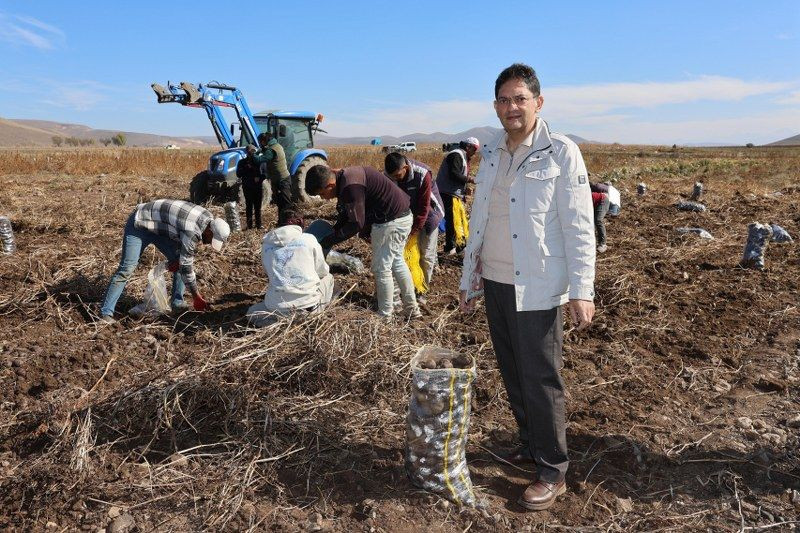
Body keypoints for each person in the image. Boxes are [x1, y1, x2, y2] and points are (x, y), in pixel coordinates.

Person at [459, 63, 596, 511]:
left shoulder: (561, 153)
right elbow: (480, 218)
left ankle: (552, 468)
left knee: (540, 377)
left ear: (538, 102)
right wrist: (469, 277)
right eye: (503, 99)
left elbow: (579, 225)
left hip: (536, 284)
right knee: (512, 371)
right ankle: (527, 442)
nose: (511, 107)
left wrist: (582, 289)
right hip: (496, 280)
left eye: (520, 99)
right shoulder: (493, 151)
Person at [304, 164, 421, 319]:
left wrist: (329, 240)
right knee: (397, 262)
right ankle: (412, 309)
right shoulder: (344, 178)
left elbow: (356, 224)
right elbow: (348, 213)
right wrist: (335, 231)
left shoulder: (350, 186)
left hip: (391, 221)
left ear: (330, 185)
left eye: (322, 194)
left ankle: (385, 316)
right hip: (401, 216)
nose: (323, 198)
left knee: (381, 268)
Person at [100, 199, 230, 322]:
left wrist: (175, 261)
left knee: (179, 262)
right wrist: (196, 297)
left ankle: (177, 303)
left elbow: (179, 234)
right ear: (210, 230)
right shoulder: (192, 231)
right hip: (139, 223)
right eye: (211, 239)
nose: (208, 243)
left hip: (160, 229)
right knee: (127, 268)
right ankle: (106, 313)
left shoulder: (208, 218)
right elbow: (186, 265)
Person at [246, 210, 336, 326]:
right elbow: (322, 271)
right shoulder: (309, 239)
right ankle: (314, 316)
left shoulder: (266, 245)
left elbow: (270, 274)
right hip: (309, 306)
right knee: (329, 277)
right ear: (299, 221)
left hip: (277, 309)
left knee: (251, 313)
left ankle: (280, 323)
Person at [383, 152, 444, 294]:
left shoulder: (422, 174)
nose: (395, 179)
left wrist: (414, 230)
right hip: (407, 215)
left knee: (426, 255)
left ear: (405, 167)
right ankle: (409, 286)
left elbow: (424, 207)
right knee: (406, 254)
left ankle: (422, 289)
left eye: (398, 176)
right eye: (392, 177)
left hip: (429, 214)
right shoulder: (388, 175)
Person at [436, 136, 479, 255]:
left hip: (453, 194)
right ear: (468, 146)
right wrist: (470, 179)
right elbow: (454, 174)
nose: (475, 153)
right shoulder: (456, 155)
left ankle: (459, 246)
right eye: (474, 150)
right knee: (453, 220)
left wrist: (464, 191)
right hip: (447, 193)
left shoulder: (462, 156)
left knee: (458, 220)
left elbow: (458, 175)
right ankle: (451, 247)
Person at [251, 131, 293, 222]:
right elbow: (265, 151)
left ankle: (290, 221)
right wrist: (260, 150)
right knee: (280, 202)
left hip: (282, 180)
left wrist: (253, 153)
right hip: (280, 179)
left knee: (285, 202)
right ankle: (282, 221)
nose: (260, 144)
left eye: (260, 142)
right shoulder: (277, 145)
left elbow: (259, 160)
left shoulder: (271, 150)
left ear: (264, 141)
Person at [237, 144, 267, 230]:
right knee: (249, 207)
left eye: (253, 152)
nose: (251, 154)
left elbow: (265, 174)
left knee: (258, 207)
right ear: (247, 152)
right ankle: (249, 226)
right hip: (247, 187)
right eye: (249, 152)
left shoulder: (261, 162)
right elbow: (238, 174)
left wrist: (260, 178)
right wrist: (246, 168)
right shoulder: (242, 162)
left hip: (257, 187)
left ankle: (259, 225)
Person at [590, 182, 610, 253]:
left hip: (603, 200)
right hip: (597, 202)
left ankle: (603, 244)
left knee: (598, 220)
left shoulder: (582, 198)